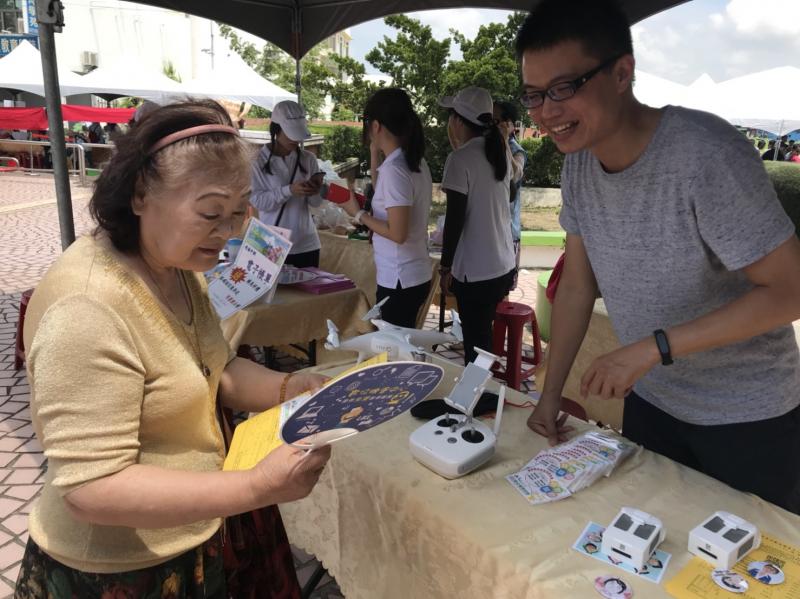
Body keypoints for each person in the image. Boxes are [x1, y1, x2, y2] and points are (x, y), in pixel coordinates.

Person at [15, 99, 332, 597]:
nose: (227, 233)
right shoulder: (88, 306)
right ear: (141, 194)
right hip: (111, 570)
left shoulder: (177, 267)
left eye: (238, 212)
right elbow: (92, 487)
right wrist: (256, 487)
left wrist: (292, 386)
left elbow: (215, 367)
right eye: (209, 213)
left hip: (190, 533)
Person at [517, 0, 800, 515]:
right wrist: (549, 393)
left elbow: (790, 290)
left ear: (622, 72)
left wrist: (653, 348)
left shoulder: (705, 155)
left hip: (748, 418)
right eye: (534, 95)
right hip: (652, 403)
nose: (546, 112)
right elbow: (578, 285)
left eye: (564, 88)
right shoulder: (578, 165)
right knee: (650, 555)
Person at [338, 88, 433, 328]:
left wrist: (358, 214)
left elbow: (397, 233)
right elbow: (387, 195)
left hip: (400, 278)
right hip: (413, 274)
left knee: (395, 353)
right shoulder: (413, 161)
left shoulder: (396, 169)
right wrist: (374, 154)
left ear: (377, 126)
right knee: (402, 345)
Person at [438, 86, 515, 365]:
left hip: (476, 272)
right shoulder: (500, 151)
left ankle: (479, 399)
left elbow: (455, 219)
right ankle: (484, 394)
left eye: (451, 116)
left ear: (458, 121)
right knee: (482, 336)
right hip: (502, 265)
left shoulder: (460, 159)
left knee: (476, 343)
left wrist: (445, 266)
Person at [250, 100, 325, 268]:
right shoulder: (257, 161)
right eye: (290, 134)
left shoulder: (308, 159)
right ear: (276, 130)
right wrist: (288, 190)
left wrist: (316, 190)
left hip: (307, 243)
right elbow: (258, 201)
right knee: (274, 294)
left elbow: (316, 204)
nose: (296, 140)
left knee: (307, 294)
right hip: (270, 243)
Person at [494, 100, 528, 289]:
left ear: (509, 124)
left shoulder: (517, 150)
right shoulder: (488, 148)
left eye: (496, 120)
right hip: (492, 230)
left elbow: (515, 174)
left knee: (502, 289)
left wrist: (505, 141)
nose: (492, 125)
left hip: (508, 233)